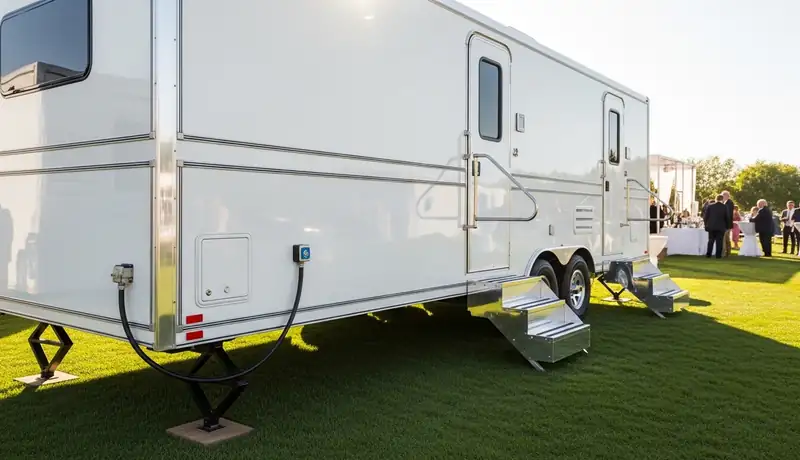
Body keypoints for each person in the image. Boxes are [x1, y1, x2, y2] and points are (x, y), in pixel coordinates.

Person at [703, 194, 731, 259]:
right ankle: (718, 255)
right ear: (722, 199)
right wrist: (727, 226)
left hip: (711, 226)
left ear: (716, 199)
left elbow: (706, 217)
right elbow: (727, 217)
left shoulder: (710, 206)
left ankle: (708, 254)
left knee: (710, 241)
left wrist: (706, 225)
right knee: (719, 242)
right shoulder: (724, 207)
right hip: (721, 227)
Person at [721, 191, 735, 257]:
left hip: (726, 224)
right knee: (726, 239)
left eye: (723, 196)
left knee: (724, 238)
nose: (722, 197)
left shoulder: (729, 203)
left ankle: (724, 252)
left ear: (727, 196)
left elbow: (727, 214)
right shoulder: (727, 202)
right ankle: (728, 252)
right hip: (727, 224)